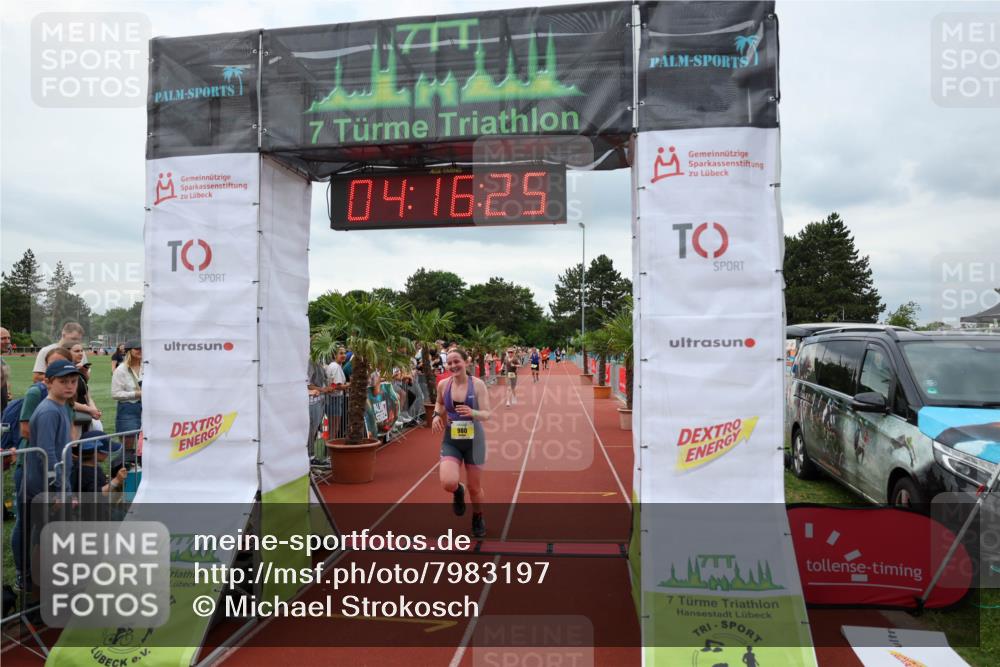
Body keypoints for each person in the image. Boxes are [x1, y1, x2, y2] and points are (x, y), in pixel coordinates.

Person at [13, 359, 81, 590]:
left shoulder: (60, 406)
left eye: (73, 381)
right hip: (44, 487)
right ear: (48, 382)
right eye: (63, 382)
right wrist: (59, 489)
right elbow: (47, 454)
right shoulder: (48, 411)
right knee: (44, 535)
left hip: (49, 485)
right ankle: (39, 582)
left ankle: (43, 580)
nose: (70, 386)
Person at [432, 348, 491, 538]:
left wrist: (473, 413)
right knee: (448, 482)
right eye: (449, 363)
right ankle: (458, 491)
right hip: (452, 440)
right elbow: (439, 403)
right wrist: (435, 415)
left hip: (475, 441)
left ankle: (478, 516)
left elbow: (487, 413)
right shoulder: (443, 385)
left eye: (456, 361)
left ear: (466, 362)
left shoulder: (478, 385)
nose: (452, 366)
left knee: (475, 487)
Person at [111, 340, 142, 453]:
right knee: (128, 445)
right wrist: (137, 394)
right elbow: (115, 394)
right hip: (128, 408)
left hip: (148, 408)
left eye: (142, 348)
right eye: (137, 349)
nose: (141, 351)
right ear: (129, 351)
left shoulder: (148, 366)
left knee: (146, 442)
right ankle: (126, 468)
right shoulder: (120, 370)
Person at [69, 343, 103, 439]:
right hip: (73, 420)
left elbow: (87, 395)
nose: (80, 353)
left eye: (81, 351)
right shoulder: (65, 374)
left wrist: (94, 409)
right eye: (76, 351)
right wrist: (89, 410)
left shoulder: (79, 371)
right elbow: (66, 401)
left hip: (84, 416)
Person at [307, 353, 332, 465]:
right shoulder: (310, 362)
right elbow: (308, 384)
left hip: (320, 400)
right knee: (311, 430)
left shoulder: (318, 361)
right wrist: (322, 389)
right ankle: (310, 458)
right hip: (312, 402)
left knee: (315, 430)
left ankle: (312, 456)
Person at [325, 347, 349, 440]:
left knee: (333, 429)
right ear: (335, 355)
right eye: (341, 353)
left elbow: (336, 385)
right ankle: (329, 452)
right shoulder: (335, 366)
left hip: (334, 400)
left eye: (344, 353)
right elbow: (337, 386)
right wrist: (350, 385)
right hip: (333, 400)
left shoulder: (335, 366)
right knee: (333, 429)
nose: (343, 355)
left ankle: (329, 452)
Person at [1, 327, 11, 412]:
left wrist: (6, 391)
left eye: (8, 338)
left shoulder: (2, 360)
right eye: (3, 338)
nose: (7, 341)